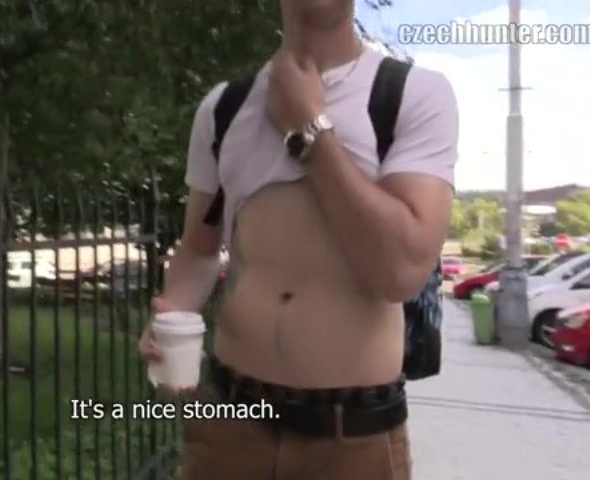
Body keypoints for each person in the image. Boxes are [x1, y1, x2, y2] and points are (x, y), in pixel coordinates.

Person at [139, 0, 458, 478]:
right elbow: (199, 250)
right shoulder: (223, 107)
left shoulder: (412, 94)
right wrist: (173, 314)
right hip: (230, 424)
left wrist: (308, 127)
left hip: (351, 439)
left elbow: (399, 272)